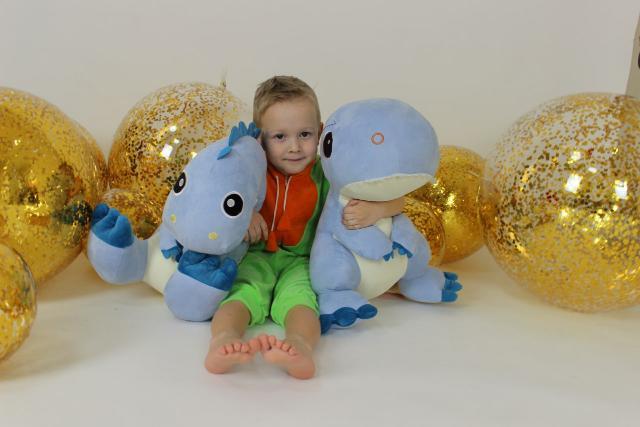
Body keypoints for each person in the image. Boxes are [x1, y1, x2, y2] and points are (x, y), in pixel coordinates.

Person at [204, 76, 405, 379]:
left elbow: (396, 198)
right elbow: (212, 197)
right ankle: (223, 340)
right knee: (241, 294)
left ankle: (299, 346)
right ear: (260, 138)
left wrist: (378, 209)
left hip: (303, 261)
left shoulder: (330, 173)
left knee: (302, 302)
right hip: (254, 256)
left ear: (321, 132)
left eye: (305, 134)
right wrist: (244, 215)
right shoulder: (249, 170)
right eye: (280, 137)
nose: (295, 147)